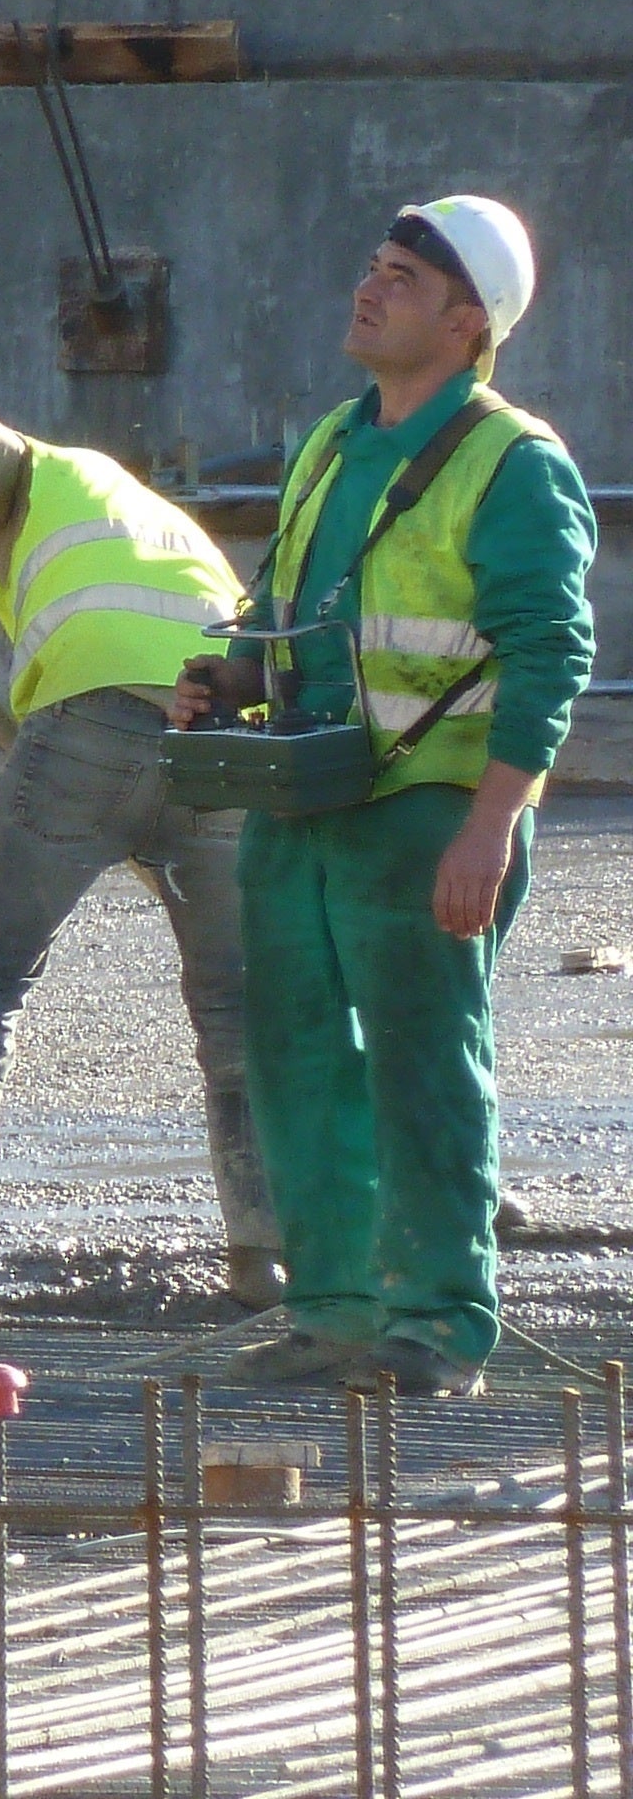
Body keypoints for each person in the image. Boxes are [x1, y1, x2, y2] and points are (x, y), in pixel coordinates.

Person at [174, 196, 594, 1398]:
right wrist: (228, 675)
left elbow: (547, 653)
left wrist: (490, 822)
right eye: (371, 267)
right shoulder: (330, 442)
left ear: (468, 324)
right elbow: (285, 613)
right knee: (297, 1056)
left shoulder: (512, 463)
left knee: (419, 1060)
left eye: (400, 279)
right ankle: (335, 1311)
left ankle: (440, 1322)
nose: (367, 289)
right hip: (305, 798)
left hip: (427, 806)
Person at [0, 389, 282, 1327]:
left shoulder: (39, 475)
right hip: (225, 732)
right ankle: (262, 1264)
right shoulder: (153, 533)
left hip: (98, 726)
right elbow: (45, 736)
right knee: (240, 1016)